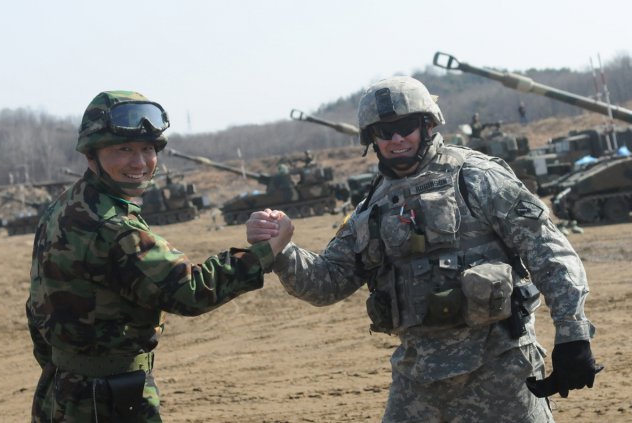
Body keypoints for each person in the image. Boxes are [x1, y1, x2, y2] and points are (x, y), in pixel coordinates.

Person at [247, 76, 601, 422]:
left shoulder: (476, 178)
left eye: (406, 127)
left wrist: (573, 335)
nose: (397, 139)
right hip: (417, 381)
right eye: (385, 131)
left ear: (428, 124)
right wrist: (281, 249)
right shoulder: (370, 209)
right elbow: (327, 282)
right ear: (371, 138)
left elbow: (550, 252)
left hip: (500, 371)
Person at [26, 90, 293, 422]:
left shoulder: (61, 207)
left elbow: (36, 307)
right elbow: (191, 290)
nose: (140, 163)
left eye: (148, 149)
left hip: (60, 391)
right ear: (91, 155)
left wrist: (65, 369)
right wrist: (265, 252)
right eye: (124, 149)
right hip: (106, 399)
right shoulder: (115, 227)